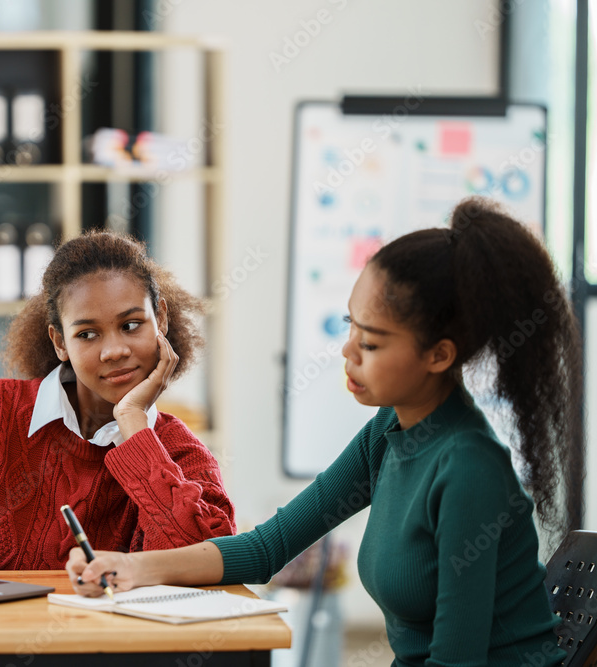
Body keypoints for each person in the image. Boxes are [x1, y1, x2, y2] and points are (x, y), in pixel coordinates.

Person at [68, 197, 582, 666]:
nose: (347, 352)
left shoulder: (468, 467)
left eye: (373, 343)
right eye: (350, 326)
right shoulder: (390, 431)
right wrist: (134, 568)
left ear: (439, 355)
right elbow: (268, 548)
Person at [0, 230, 235, 570]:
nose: (115, 351)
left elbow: (201, 573)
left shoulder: (182, 454)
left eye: (131, 325)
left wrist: (133, 424)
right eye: (87, 334)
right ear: (59, 342)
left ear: (160, 320)